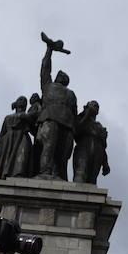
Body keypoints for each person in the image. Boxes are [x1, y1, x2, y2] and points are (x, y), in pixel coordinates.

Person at [36, 41, 78, 179]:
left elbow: (75, 113)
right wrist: (49, 50)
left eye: (63, 76)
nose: (60, 76)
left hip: (67, 125)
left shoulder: (71, 94)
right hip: (50, 120)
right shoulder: (47, 86)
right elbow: (45, 69)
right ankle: (45, 173)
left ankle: (58, 175)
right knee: (49, 147)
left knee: (63, 154)